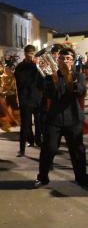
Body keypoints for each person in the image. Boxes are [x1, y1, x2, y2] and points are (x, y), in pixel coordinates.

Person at [35, 48, 87, 188]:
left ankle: (81, 179)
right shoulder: (51, 76)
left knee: (77, 151)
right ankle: (43, 177)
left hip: (74, 119)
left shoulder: (78, 76)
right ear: (58, 60)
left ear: (72, 61)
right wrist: (51, 79)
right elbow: (48, 94)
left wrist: (72, 80)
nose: (65, 61)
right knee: (48, 149)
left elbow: (80, 91)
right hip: (55, 120)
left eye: (68, 59)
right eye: (62, 58)